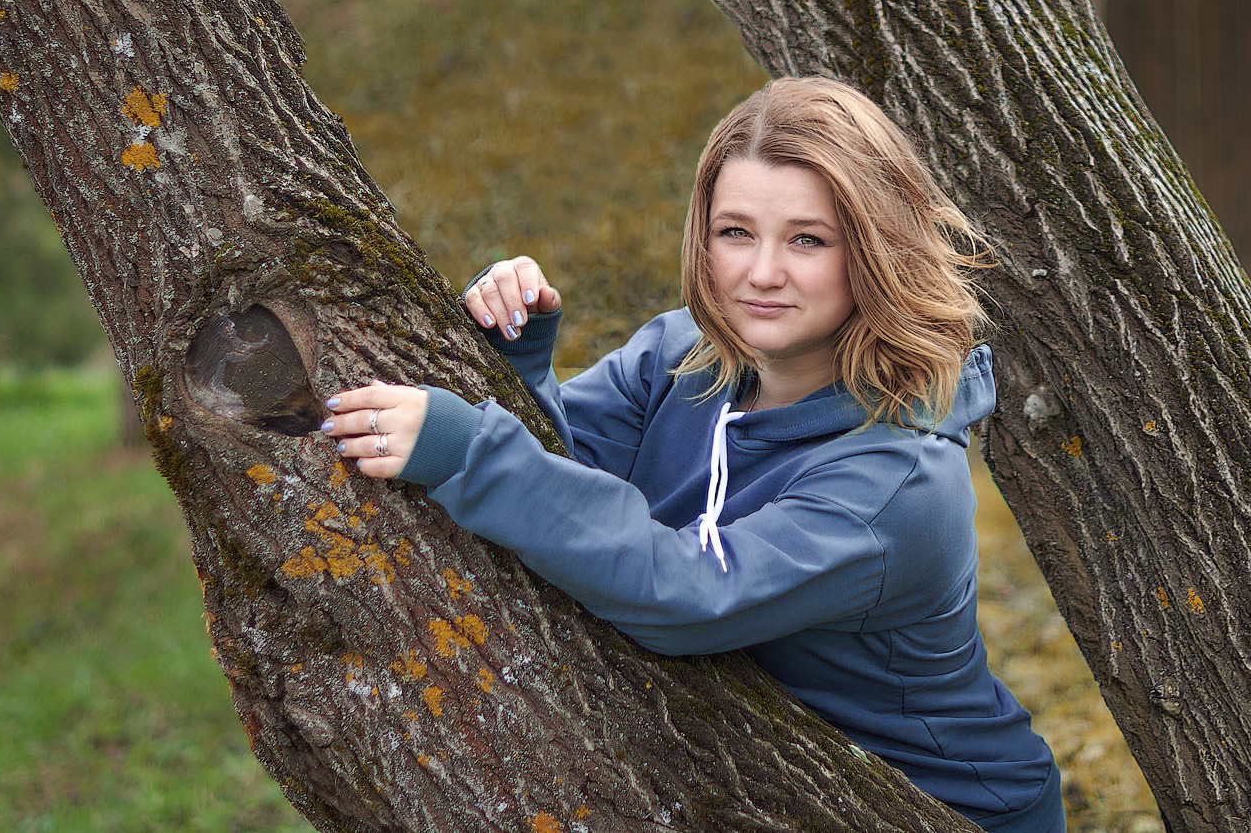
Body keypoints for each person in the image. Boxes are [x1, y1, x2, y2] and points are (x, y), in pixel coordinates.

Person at [322, 76, 1064, 831]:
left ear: (875, 251)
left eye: (807, 239)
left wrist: (467, 449)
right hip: (766, 777)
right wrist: (515, 366)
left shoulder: (900, 481)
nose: (762, 272)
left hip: (949, 807)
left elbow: (685, 593)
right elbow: (565, 485)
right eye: (735, 231)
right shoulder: (683, 352)